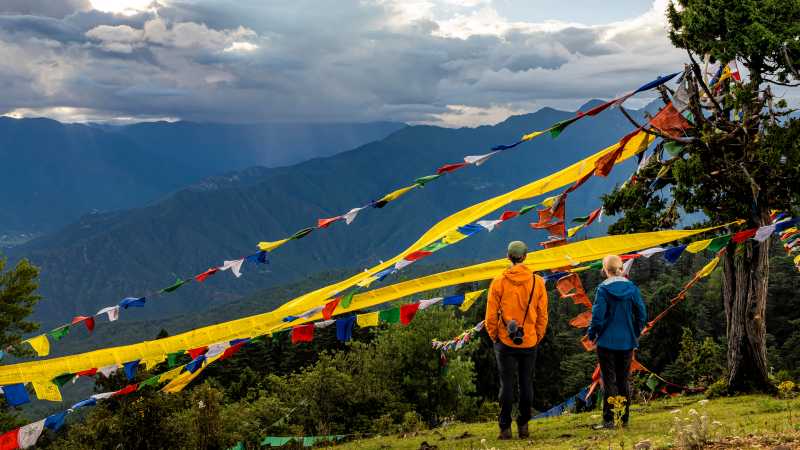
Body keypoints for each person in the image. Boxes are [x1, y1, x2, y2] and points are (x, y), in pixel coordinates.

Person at [485, 241, 548, 440]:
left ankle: (505, 428)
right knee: (526, 383)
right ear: (525, 257)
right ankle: (524, 425)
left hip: (505, 341)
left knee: (506, 385)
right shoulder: (537, 282)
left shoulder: (498, 281)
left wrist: (495, 335)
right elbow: (542, 314)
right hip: (529, 340)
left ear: (508, 257)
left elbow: (491, 316)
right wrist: (537, 335)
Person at [586, 255, 647, 429]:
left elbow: (597, 317)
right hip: (627, 341)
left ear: (606, 270)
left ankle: (609, 420)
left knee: (609, 380)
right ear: (621, 268)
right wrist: (634, 332)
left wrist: (592, 334)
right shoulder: (632, 288)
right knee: (623, 379)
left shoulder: (603, 289)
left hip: (606, 341)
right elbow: (642, 314)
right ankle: (624, 419)